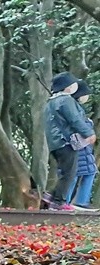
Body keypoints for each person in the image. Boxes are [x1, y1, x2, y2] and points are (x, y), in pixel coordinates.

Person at [44, 72, 95, 211]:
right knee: (69, 173)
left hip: (55, 143)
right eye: (73, 85)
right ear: (66, 87)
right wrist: (88, 133)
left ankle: (50, 196)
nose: (74, 87)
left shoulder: (51, 102)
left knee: (67, 171)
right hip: (65, 141)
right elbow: (74, 119)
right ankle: (59, 202)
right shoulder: (66, 100)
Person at [62, 79, 97, 211]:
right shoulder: (73, 107)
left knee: (83, 172)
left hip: (80, 147)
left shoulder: (73, 107)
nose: (87, 97)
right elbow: (78, 125)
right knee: (76, 174)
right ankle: (73, 201)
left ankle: (73, 201)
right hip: (77, 147)